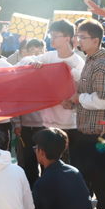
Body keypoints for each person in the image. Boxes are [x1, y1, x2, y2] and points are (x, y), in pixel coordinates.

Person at [63, 19, 105, 209]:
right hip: (87, 134)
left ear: (96, 40)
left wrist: (79, 98)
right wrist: (75, 101)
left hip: (101, 137)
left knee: (103, 181)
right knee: (86, 179)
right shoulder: (91, 59)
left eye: (82, 37)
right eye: (78, 36)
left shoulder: (102, 64)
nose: (78, 40)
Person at [19, 20, 85, 161]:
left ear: (67, 38)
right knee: (47, 162)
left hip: (71, 123)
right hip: (48, 122)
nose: (52, 39)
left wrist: (68, 71)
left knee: (68, 163)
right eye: (51, 35)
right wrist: (32, 63)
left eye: (55, 36)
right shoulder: (49, 56)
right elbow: (24, 61)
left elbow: (85, 87)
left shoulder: (77, 62)